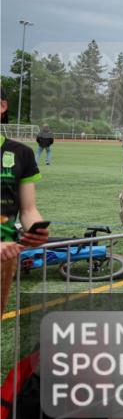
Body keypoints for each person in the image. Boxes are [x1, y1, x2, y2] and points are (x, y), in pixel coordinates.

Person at [1, 87, 49, 312]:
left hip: (6, 256)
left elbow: (28, 209)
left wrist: (36, 231)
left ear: (2, 106)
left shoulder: (21, 153)